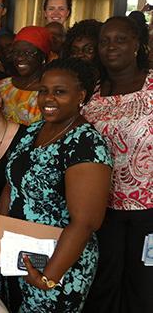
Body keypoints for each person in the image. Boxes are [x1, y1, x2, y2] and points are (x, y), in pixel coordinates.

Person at [0, 58, 112, 312]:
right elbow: (11, 186)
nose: (48, 99)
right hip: (19, 255)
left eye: (59, 92)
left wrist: (48, 277)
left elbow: (86, 222)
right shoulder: (32, 131)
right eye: (43, 91)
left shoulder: (86, 144)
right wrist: (0, 245)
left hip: (58, 266)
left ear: (81, 95)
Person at [82, 16, 153, 313]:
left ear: (136, 44)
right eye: (105, 41)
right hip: (102, 210)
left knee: (144, 283)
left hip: (148, 211)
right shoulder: (93, 92)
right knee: (104, 284)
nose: (111, 47)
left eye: (120, 39)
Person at [0, 26, 51, 125]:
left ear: (42, 56)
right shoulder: (2, 86)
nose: (20, 58)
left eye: (28, 53)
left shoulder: (50, 92)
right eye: (16, 52)